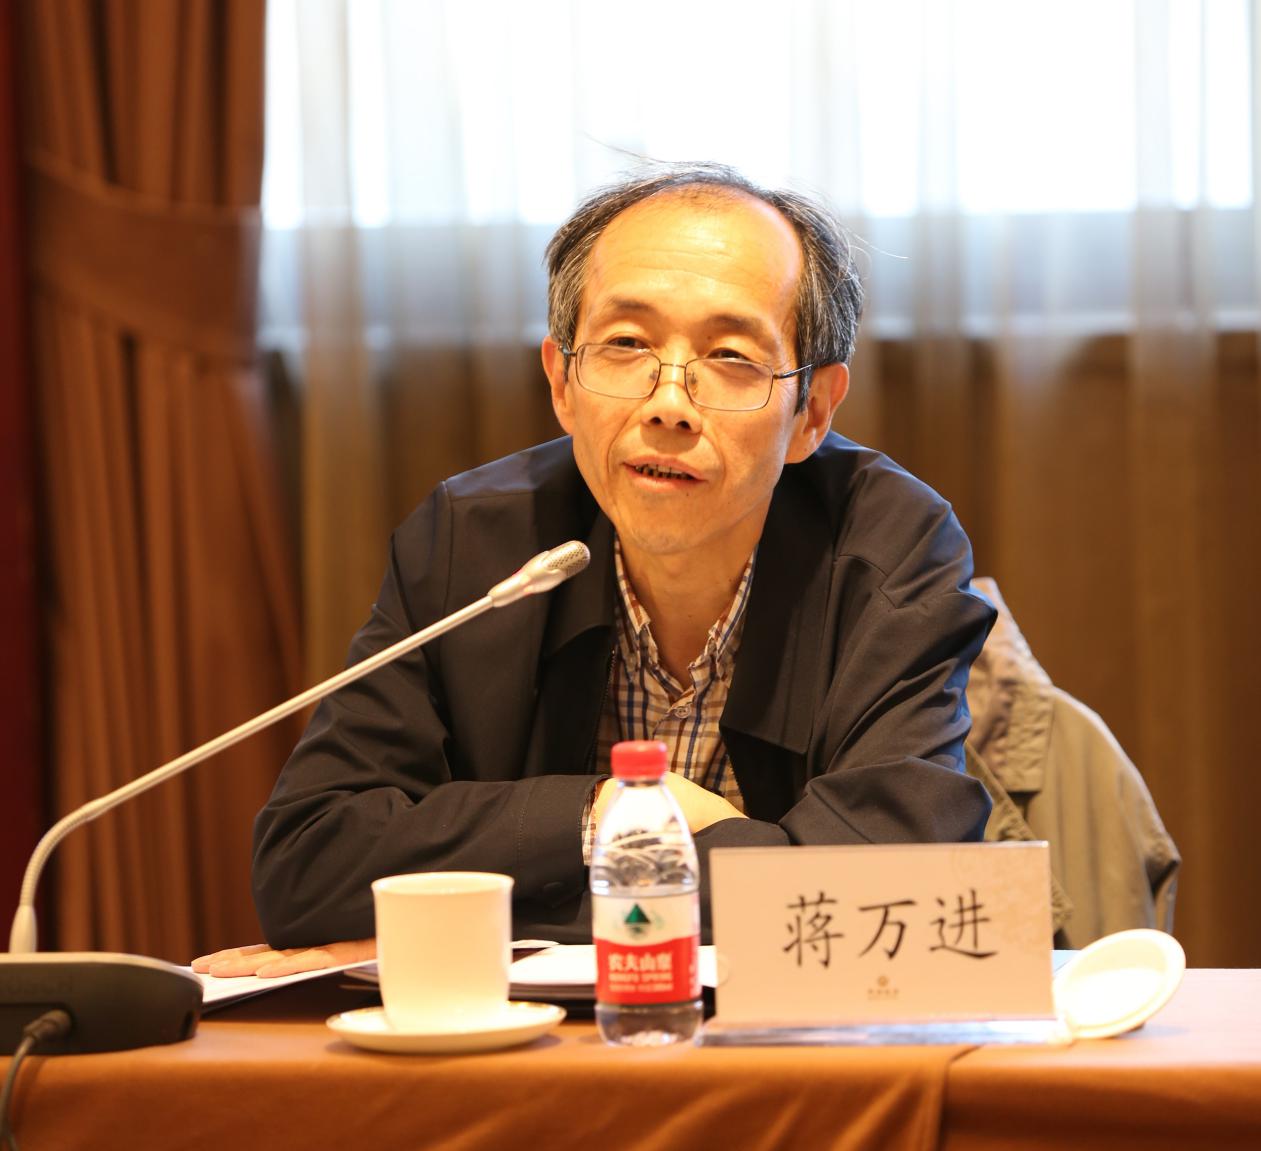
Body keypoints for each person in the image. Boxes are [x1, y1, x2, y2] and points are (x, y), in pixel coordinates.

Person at [196, 162, 994, 979]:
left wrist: (469, 917)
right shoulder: (473, 546)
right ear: (561, 381)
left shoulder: (892, 548)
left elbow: (885, 900)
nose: (669, 404)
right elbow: (309, 863)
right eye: (626, 345)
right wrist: (607, 811)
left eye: (729, 355)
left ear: (811, 411)